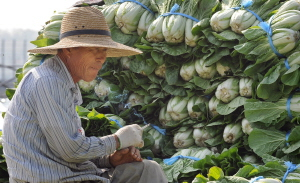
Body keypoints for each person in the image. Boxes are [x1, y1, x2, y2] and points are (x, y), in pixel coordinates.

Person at [2, 6, 168, 183]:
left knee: (146, 169)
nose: (101, 58)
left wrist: (109, 159)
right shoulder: (48, 82)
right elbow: (71, 151)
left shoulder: (61, 82)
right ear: (69, 50)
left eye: (104, 50)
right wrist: (117, 140)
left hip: (72, 175)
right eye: (94, 49)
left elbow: (64, 152)